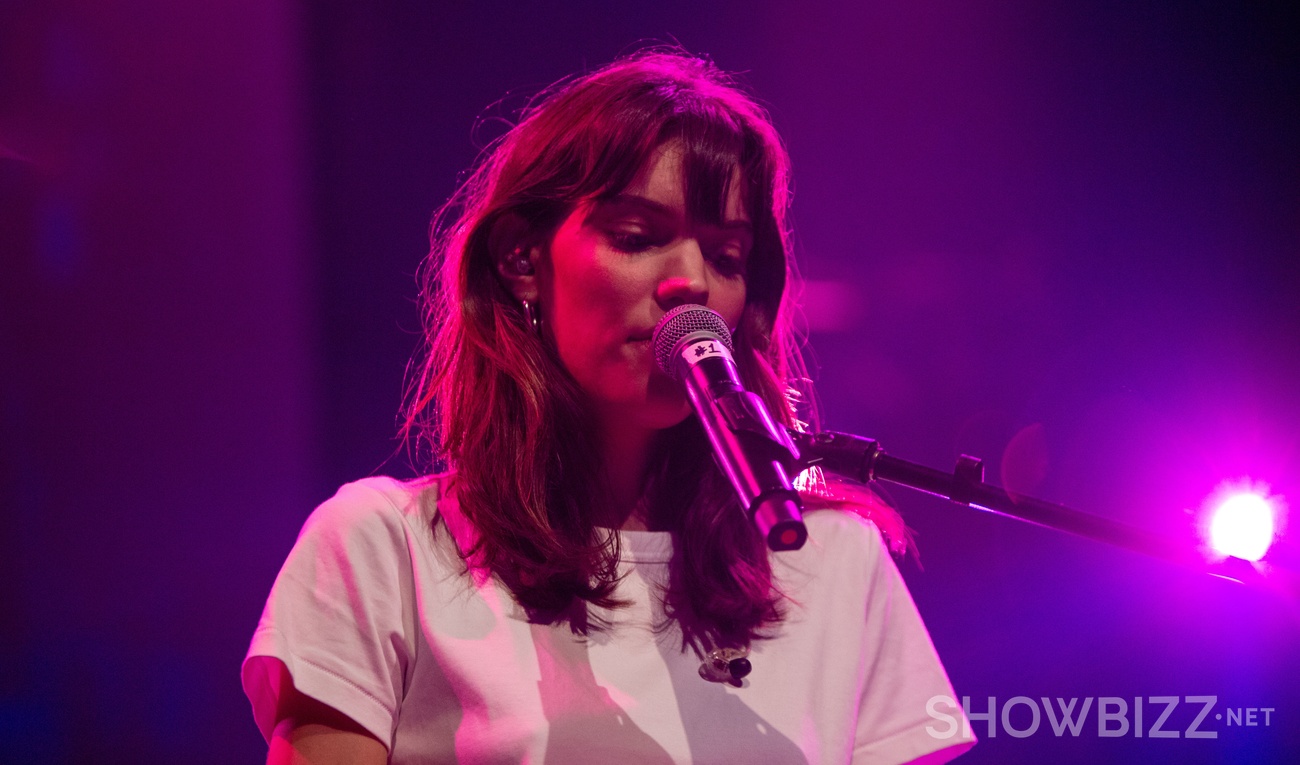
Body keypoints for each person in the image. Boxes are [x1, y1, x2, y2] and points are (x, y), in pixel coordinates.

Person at [242, 49, 976, 764]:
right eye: (637, 238)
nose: (690, 281)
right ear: (522, 263)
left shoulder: (830, 560)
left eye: (726, 256)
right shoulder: (383, 548)